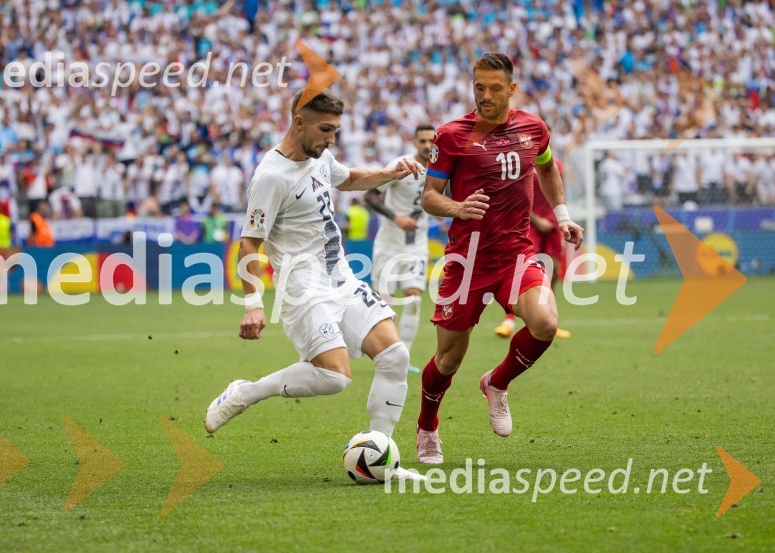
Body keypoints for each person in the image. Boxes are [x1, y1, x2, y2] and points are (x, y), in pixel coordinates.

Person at [204, 90, 425, 480]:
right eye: (325, 130)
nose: (331, 140)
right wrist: (252, 303)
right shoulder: (271, 177)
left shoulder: (320, 157)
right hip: (302, 287)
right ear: (298, 122)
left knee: (395, 357)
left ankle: (381, 461)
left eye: (336, 131)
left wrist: (391, 172)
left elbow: (351, 179)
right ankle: (245, 392)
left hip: (341, 277)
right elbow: (249, 242)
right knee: (335, 377)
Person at [415, 53, 583, 464]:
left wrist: (561, 215)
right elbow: (429, 197)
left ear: (511, 89)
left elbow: (547, 169)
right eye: (479, 87)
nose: (485, 95)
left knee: (545, 323)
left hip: (515, 254)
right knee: (449, 359)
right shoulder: (452, 135)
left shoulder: (533, 128)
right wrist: (457, 208)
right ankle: (427, 427)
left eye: (494, 88)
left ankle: (496, 382)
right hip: (465, 260)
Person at [365, 124, 435, 374]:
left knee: (414, 300)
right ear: (414, 142)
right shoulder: (401, 165)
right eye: (423, 141)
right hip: (389, 242)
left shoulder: (441, 168)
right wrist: (396, 218)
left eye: (431, 140)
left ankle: (402, 359)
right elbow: (370, 196)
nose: (428, 145)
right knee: (383, 302)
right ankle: (382, 353)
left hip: (417, 244)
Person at [495, 159, 571, 340]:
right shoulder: (522, 163)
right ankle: (509, 321)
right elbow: (515, 194)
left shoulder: (556, 165)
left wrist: (561, 218)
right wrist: (536, 219)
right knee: (522, 270)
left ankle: (549, 317)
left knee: (553, 271)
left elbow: (559, 191)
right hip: (528, 222)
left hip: (552, 222)